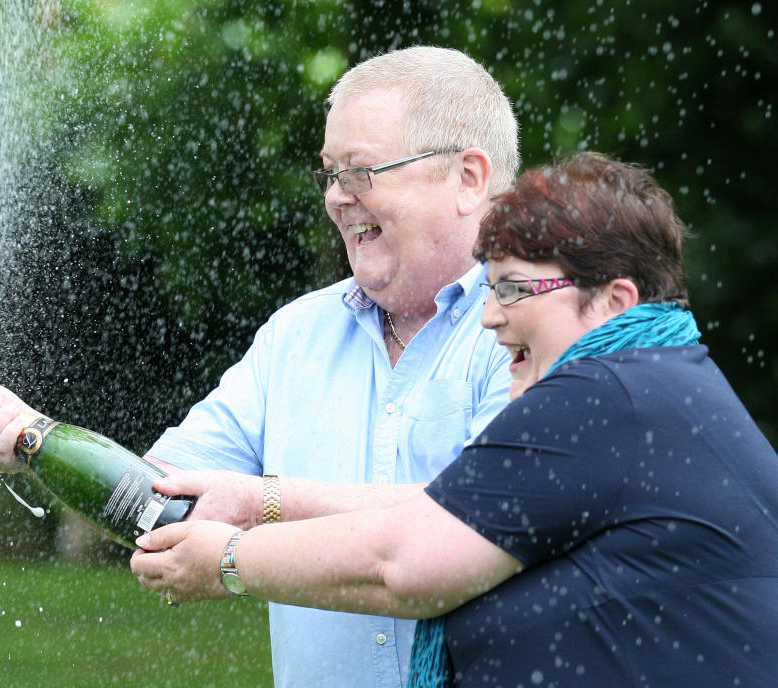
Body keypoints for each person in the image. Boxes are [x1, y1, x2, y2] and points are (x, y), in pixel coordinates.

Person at [0, 46, 520, 688]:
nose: (337, 199)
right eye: (330, 174)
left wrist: (258, 508)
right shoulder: (295, 336)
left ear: (469, 178)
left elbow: (477, 519)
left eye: (360, 173)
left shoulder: (536, 333)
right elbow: (158, 497)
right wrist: (32, 438)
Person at [129, 152, 778, 687]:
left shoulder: (608, 393)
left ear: (614, 300)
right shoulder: (654, 388)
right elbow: (440, 517)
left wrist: (229, 558)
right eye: (490, 288)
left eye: (515, 289)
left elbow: (401, 563)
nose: (491, 317)